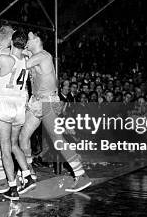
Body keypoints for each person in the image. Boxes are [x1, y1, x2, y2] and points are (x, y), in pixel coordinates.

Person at [20, 31, 93, 192]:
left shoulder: (43, 56)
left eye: (30, 38)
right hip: (37, 101)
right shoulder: (34, 55)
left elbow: (22, 64)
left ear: (37, 41)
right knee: (23, 137)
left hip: (48, 102)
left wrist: (14, 50)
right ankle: (29, 174)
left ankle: (81, 174)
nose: (27, 40)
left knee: (57, 140)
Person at [0, 30, 33, 200]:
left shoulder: (4, 59)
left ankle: (12, 188)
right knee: (14, 144)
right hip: (19, 105)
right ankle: (27, 174)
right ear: (25, 44)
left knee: (5, 147)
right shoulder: (27, 60)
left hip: (4, 102)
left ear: (11, 41)